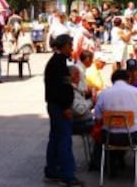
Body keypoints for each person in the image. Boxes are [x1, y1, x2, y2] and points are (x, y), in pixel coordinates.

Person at [94, 69, 137, 178]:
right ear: (128, 79)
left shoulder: (103, 94)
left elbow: (98, 118)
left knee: (103, 133)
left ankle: (112, 165)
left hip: (110, 137)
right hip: (134, 136)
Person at [44, 34, 83, 186]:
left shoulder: (57, 62)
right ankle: (68, 175)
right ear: (64, 46)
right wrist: (66, 107)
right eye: (70, 45)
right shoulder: (58, 63)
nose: (71, 48)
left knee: (55, 138)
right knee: (63, 140)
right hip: (59, 107)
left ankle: (52, 170)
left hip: (55, 105)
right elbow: (60, 88)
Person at [69, 66, 94, 134]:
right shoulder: (69, 90)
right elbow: (80, 110)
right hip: (79, 123)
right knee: (102, 127)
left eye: (78, 74)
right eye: (76, 74)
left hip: (84, 119)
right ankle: (97, 144)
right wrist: (91, 101)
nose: (78, 76)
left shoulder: (76, 87)